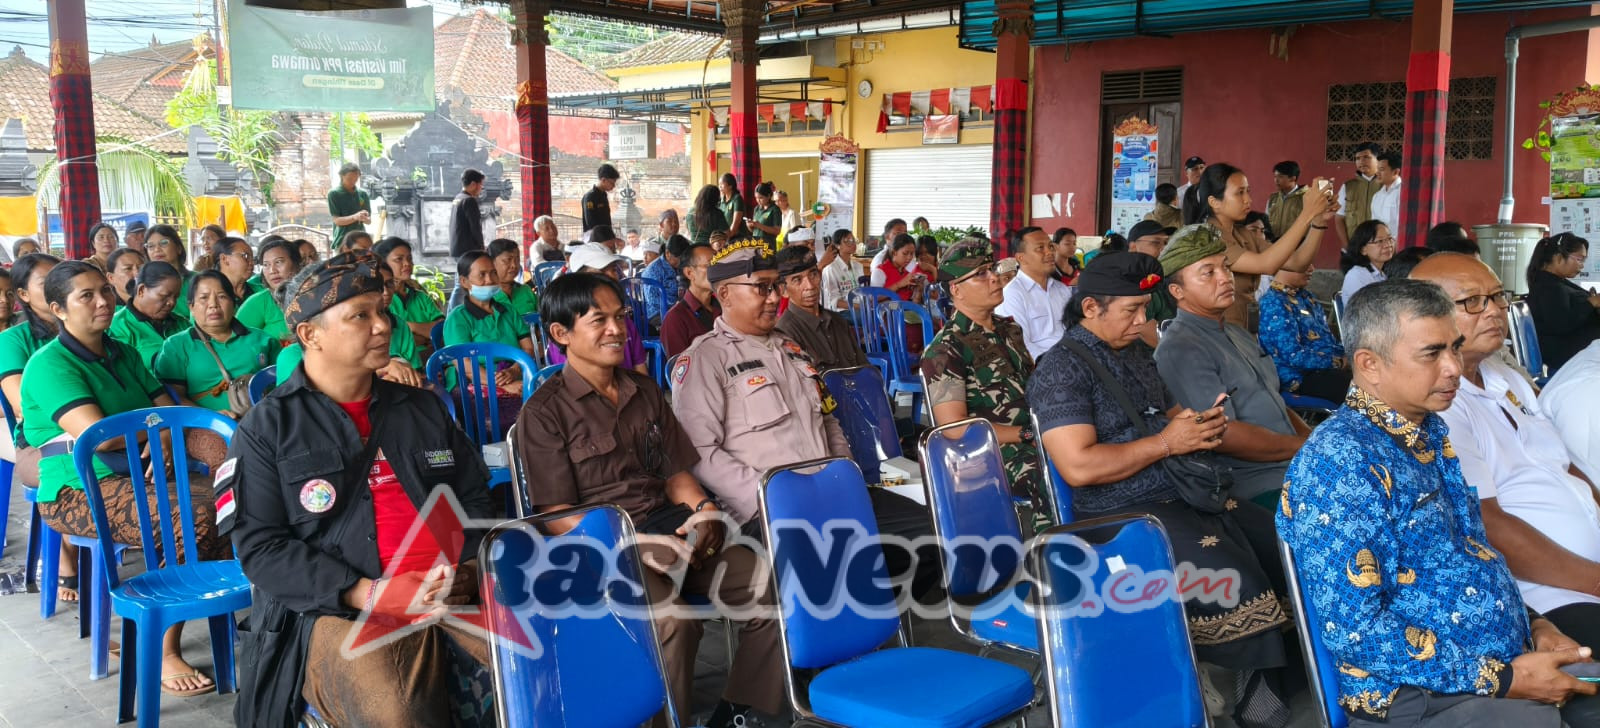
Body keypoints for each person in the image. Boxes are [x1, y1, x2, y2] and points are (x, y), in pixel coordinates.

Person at [1278, 278, 1600, 728]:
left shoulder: (1427, 433)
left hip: (1497, 663)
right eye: (1432, 353)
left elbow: (1471, 555)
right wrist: (1503, 678)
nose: (1453, 367)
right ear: (1369, 364)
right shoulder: (1341, 464)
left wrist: (1537, 626)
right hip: (1420, 695)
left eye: (1455, 347)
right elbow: (1357, 631)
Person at [226, 252, 495, 728]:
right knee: (398, 712)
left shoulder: (422, 410)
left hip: (450, 589)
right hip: (343, 609)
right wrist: (367, 594)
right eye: (360, 315)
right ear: (310, 335)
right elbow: (261, 548)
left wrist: (466, 566)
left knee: (562, 668)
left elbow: (473, 496)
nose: (383, 326)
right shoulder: (267, 429)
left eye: (382, 312)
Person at [1028, 251, 1295, 728]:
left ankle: (1276, 675)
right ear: (1091, 308)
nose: (1142, 320)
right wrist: (1167, 442)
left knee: (1282, 542)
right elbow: (1079, 466)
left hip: (1177, 489)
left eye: (1143, 308)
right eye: (1130, 310)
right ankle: (1249, 699)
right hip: (1119, 512)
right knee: (1237, 579)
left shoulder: (1134, 353)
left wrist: (1200, 425)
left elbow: (1170, 417)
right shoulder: (1060, 371)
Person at [517, 272, 783, 728]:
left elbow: (677, 475)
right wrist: (633, 545)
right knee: (673, 623)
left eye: (619, 317)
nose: (616, 330)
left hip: (673, 530)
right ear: (561, 334)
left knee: (772, 588)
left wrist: (704, 511)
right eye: (598, 320)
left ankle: (740, 713)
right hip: (603, 550)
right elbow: (558, 516)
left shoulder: (644, 393)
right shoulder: (543, 413)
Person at [670, 239, 938, 599]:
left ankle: (874, 610)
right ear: (725, 294)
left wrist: (845, 473)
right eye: (761, 288)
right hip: (769, 507)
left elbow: (828, 420)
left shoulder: (791, 349)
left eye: (774, 286)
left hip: (832, 489)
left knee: (931, 533)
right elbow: (700, 451)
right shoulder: (705, 359)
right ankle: (834, 629)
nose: (772, 297)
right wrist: (770, 497)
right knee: (828, 556)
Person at [24, 260, 229, 698]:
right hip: (79, 490)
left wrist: (170, 439)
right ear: (59, 309)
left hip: (143, 472)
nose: (102, 301)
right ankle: (163, 647)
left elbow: (163, 406)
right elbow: (99, 436)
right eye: (86, 296)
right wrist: (163, 433)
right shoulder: (49, 365)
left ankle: (227, 599)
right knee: (189, 520)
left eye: (105, 290)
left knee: (237, 495)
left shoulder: (123, 352)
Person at [1410, 253, 1600, 647]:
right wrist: (1595, 580)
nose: (1495, 311)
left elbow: (1566, 468)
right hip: (1545, 598)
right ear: (1423, 316)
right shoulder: (1436, 405)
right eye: (1473, 302)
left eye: (1498, 297)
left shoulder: (1505, 374)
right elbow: (1487, 526)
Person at [1154, 226, 1312, 508]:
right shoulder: (1181, 349)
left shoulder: (1236, 333)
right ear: (1177, 290)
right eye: (1208, 272)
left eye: (1225, 267)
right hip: (1254, 483)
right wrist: (1302, 447)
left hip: (1296, 466)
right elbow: (1223, 433)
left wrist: (1311, 438)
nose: (1225, 278)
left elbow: (1271, 397)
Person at [920, 240, 1038, 499]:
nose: (995, 278)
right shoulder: (945, 350)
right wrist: (1025, 433)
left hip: (1039, 435)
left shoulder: (1009, 330)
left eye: (992, 269)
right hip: (994, 453)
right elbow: (954, 428)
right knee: (1050, 474)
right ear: (956, 290)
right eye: (981, 274)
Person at [1193, 162, 1335, 330]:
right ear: (1214, 202)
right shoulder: (1208, 237)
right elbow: (1266, 264)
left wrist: (1318, 221)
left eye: (1248, 191)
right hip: (1219, 333)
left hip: (1245, 330)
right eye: (1240, 193)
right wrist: (1307, 213)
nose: (1248, 199)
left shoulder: (1243, 235)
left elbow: (1298, 263)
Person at [0, 254, 65, 597]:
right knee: (76, 461)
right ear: (23, 295)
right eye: (46, 282)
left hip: (89, 427)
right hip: (40, 437)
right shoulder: (14, 340)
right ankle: (68, 555)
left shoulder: (87, 328)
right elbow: (21, 404)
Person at [154, 270, 279, 415]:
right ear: (191, 307)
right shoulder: (177, 345)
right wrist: (212, 419)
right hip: (204, 425)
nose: (213, 304)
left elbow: (283, 384)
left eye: (221, 296)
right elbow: (173, 398)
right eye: (204, 298)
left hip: (262, 419)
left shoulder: (262, 339)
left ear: (233, 303)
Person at [443, 251, 537, 423]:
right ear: (464, 282)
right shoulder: (458, 318)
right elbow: (465, 366)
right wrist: (504, 386)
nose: (490, 279)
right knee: (514, 418)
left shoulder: (508, 310)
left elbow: (528, 348)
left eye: (493, 273)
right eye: (482, 275)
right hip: (471, 383)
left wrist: (515, 369)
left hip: (512, 374)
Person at [545, 244, 648, 375]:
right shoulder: (568, 326)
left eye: (613, 270)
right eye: (601, 273)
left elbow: (640, 367)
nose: (611, 277)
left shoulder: (624, 322)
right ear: (578, 279)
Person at [1257, 263, 1349, 402]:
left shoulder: (1306, 297)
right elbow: (1294, 356)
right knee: (1363, 388)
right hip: (1300, 377)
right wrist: (1338, 362)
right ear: (1284, 263)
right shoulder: (1273, 303)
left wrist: (1349, 357)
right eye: (1305, 263)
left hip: (1325, 369)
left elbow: (1327, 341)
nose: (1312, 269)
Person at [773, 246, 867, 372]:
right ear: (783, 290)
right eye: (797, 280)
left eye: (813, 275)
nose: (810, 286)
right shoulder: (785, 333)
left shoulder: (839, 322)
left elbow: (864, 369)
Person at [1525, 232, 1600, 372]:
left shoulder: (1556, 282)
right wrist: (1591, 302)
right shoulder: (1549, 287)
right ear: (1558, 258)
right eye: (1579, 259)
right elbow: (1561, 323)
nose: (1582, 266)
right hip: (1572, 362)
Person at [994, 227, 1072, 359]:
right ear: (1021, 258)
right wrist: (1053, 365)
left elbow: (1074, 329)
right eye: (1040, 248)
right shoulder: (1012, 294)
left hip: (1072, 359)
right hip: (1041, 367)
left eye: (1051, 247)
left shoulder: (1062, 289)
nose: (1050, 252)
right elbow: (1020, 345)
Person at [108, 261, 187, 368]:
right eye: (164, 296)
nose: (171, 303)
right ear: (141, 290)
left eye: (176, 297)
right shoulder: (118, 326)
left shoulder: (181, 323)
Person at [372, 237, 443, 355]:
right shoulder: (383, 299)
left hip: (432, 359)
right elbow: (389, 341)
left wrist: (411, 326)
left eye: (409, 258)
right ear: (384, 264)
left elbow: (442, 331)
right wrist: (426, 336)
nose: (407, 264)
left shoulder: (421, 297)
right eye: (399, 259)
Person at [236, 237, 302, 342]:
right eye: (266, 265)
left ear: (297, 264)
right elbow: (236, 343)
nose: (272, 270)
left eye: (279, 262)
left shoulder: (313, 296)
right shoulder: (258, 302)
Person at [661, 242, 719, 359]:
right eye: (710, 265)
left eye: (718, 265)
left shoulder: (724, 308)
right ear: (689, 273)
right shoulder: (675, 318)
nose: (717, 271)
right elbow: (680, 370)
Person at [1340, 219, 1396, 303]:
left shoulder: (1382, 274)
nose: (1388, 245)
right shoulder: (1356, 275)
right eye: (1380, 241)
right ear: (1363, 249)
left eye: (1389, 238)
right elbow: (1367, 312)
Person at [1337, 141, 1382, 242]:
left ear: (1378, 159)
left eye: (1366, 157)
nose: (1361, 161)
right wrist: (1347, 246)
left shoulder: (1386, 186)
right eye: (1357, 158)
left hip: (1380, 245)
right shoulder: (1348, 186)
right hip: (1354, 245)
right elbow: (1339, 218)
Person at [487, 237, 537, 319]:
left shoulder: (526, 290)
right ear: (491, 262)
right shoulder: (486, 297)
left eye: (517, 259)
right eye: (508, 260)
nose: (514, 265)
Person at [639, 233, 682, 326]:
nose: (681, 261)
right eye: (678, 258)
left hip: (677, 308)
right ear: (667, 254)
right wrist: (675, 305)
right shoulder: (653, 270)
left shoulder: (679, 267)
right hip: (656, 313)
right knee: (684, 321)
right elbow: (652, 299)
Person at [327, 161, 371, 249]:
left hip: (360, 240)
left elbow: (369, 221)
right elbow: (337, 220)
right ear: (341, 176)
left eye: (356, 179)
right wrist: (355, 217)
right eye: (350, 179)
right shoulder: (334, 194)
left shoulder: (363, 194)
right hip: (342, 240)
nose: (353, 182)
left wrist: (364, 218)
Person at [876, 233, 927, 305]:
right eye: (905, 253)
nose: (909, 258)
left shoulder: (905, 273)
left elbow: (914, 305)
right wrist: (899, 285)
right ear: (894, 252)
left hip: (905, 312)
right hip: (888, 312)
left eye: (912, 254)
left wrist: (918, 291)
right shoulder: (880, 271)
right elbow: (873, 298)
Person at [821, 228, 861, 314]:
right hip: (842, 311)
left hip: (861, 307)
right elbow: (834, 301)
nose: (853, 243)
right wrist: (860, 307)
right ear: (838, 246)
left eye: (853, 240)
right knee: (870, 319)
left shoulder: (858, 266)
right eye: (847, 241)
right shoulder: (831, 268)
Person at [449, 168, 485, 259]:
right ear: (473, 184)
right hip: (468, 250)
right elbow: (475, 227)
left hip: (457, 248)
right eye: (481, 185)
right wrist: (481, 247)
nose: (481, 189)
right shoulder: (469, 200)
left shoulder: (458, 198)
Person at [1265, 161, 1305, 242]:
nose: (1276, 180)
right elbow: (1266, 223)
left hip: (1296, 246)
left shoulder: (1305, 198)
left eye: (1280, 177)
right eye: (1275, 176)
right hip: (1273, 245)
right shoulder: (1273, 198)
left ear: (1293, 178)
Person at [212, 237, 259, 301]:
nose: (251, 262)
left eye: (252, 258)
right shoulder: (208, 294)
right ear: (224, 259)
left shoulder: (261, 292)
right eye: (245, 256)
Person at [582, 163, 620, 232]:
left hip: (605, 236)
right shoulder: (590, 197)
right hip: (595, 237)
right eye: (612, 183)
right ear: (603, 180)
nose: (613, 186)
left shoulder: (603, 195)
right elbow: (591, 223)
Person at [1371, 151, 1403, 234]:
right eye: (1377, 169)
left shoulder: (1403, 193)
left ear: (1395, 172)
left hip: (1399, 244)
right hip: (1381, 243)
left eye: (1381, 169)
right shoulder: (1377, 196)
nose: (1377, 173)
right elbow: (1374, 224)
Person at [687, 184, 728, 249]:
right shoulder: (717, 214)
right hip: (710, 251)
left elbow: (689, 231)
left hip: (693, 249)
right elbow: (726, 233)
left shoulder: (690, 212)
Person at [746, 181, 782, 248]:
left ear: (768, 196)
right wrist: (750, 225)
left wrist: (759, 225)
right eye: (756, 198)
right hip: (756, 245)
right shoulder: (757, 209)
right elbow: (754, 230)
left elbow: (777, 231)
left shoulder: (775, 209)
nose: (758, 200)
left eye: (761, 198)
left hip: (768, 246)